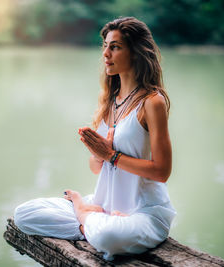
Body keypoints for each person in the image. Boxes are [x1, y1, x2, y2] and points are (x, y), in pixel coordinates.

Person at [14, 17, 176, 260]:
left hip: (142, 211)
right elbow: (95, 167)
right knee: (24, 214)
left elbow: (161, 172)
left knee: (109, 237)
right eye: (105, 46)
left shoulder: (152, 102)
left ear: (136, 52)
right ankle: (92, 221)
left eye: (115, 47)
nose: (106, 54)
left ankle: (83, 214)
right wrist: (99, 153)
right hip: (104, 205)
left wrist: (111, 155)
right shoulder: (111, 100)